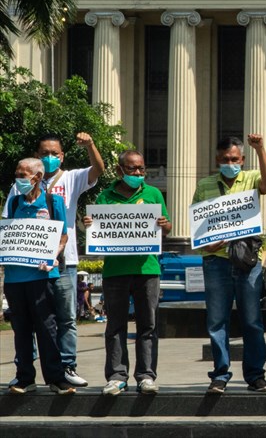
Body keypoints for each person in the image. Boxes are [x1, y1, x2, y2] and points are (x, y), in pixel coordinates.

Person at [4, 132, 105, 388]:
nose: (49, 157)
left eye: (54, 153)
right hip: (27, 265)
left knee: (65, 317)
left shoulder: (70, 179)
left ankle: (66, 366)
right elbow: (9, 224)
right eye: (45, 153)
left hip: (64, 262)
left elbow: (98, 170)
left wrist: (90, 145)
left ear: (62, 156)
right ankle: (26, 368)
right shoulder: (19, 187)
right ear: (38, 156)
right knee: (29, 321)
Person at [84, 150, 172, 395]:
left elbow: (167, 227)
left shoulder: (153, 194)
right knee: (115, 326)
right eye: (133, 169)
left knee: (148, 326)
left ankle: (146, 376)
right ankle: (116, 376)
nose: (138, 173)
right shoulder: (104, 196)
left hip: (147, 269)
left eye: (142, 168)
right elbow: (96, 230)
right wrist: (90, 225)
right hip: (115, 271)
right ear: (120, 170)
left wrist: (165, 225)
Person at [194, 133, 266, 394]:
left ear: (242, 159)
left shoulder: (251, 178)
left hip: (247, 262)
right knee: (217, 321)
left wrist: (261, 149)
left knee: (252, 320)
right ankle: (220, 374)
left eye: (235, 159)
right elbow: (198, 222)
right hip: (215, 261)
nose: (231, 162)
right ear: (218, 160)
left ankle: (255, 375)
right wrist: (206, 243)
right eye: (226, 159)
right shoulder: (205, 184)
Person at [4, 158, 75, 394]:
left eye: (22, 174)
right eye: (17, 173)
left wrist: (53, 255)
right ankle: (24, 378)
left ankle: (56, 378)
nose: (19, 178)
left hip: (43, 277)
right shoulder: (14, 202)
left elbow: (62, 236)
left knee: (47, 328)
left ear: (37, 177)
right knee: (21, 330)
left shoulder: (53, 202)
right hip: (15, 278)